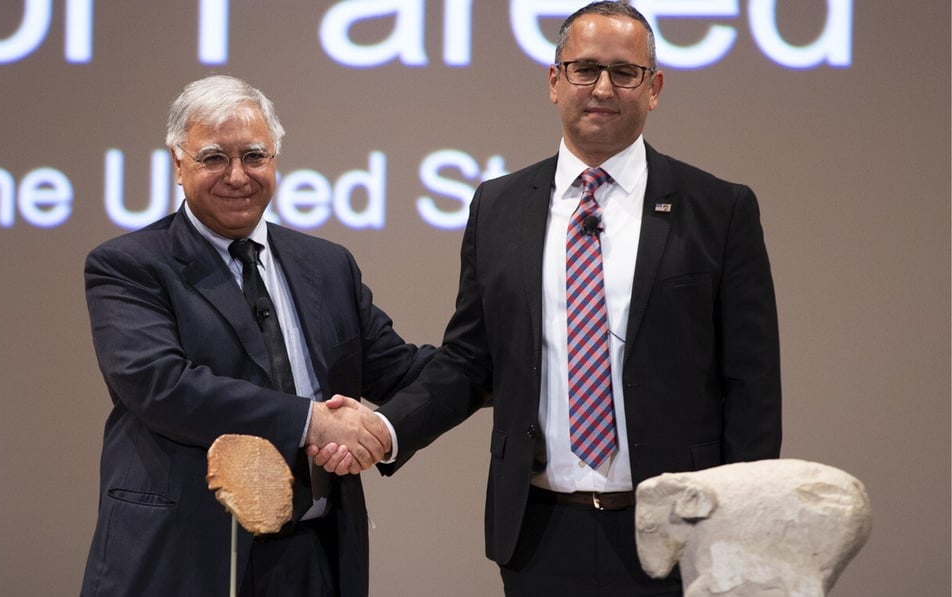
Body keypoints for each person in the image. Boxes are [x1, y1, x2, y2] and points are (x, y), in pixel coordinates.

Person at [314, 2, 782, 595]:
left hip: (679, 532)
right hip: (538, 534)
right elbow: (468, 360)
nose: (603, 87)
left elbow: (753, 384)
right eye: (584, 68)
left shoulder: (719, 209)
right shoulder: (499, 206)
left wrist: (740, 531)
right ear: (554, 81)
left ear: (655, 87)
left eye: (625, 71)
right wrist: (385, 428)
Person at [79, 75, 433, 597]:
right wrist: (312, 422)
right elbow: (162, 385)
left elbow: (399, 370)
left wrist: (501, 360)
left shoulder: (328, 265)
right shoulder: (128, 265)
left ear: (276, 161)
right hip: (184, 552)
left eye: (254, 156)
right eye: (214, 158)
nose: (237, 176)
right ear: (178, 165)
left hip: (314, 551)